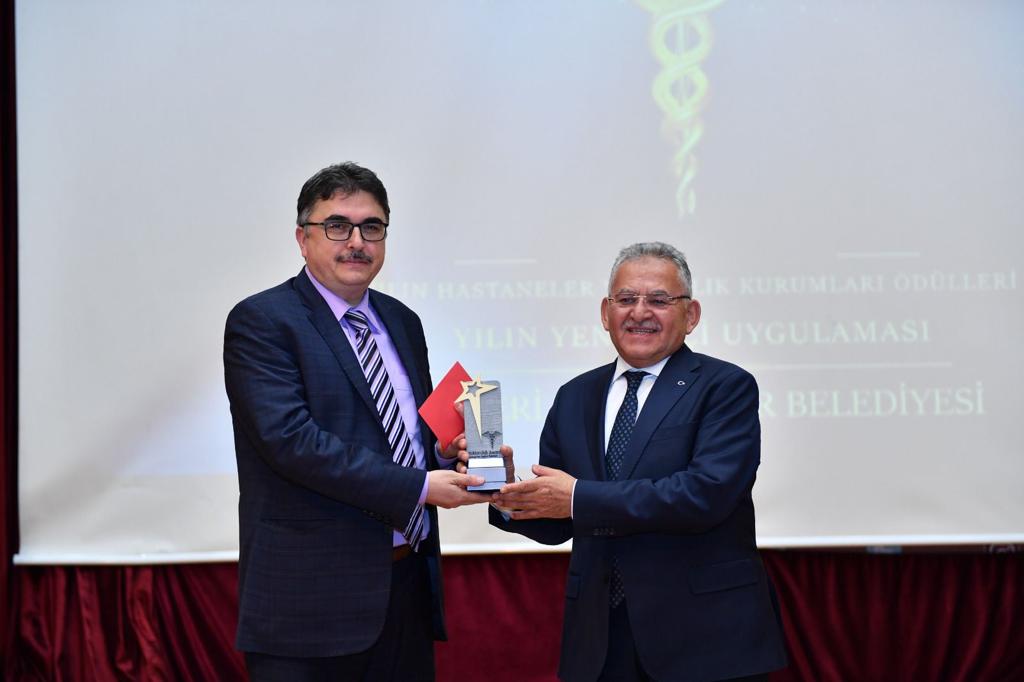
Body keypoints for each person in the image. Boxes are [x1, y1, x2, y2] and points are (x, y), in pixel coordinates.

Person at [224, 162, 488, 680]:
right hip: (309, 606)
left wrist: (447, 455)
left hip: (405, 590)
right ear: (302, 238)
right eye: (337, 226)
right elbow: (292, 443)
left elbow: (403, 435)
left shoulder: (402, 321)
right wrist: (421, 487)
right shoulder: (263, 321)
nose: (356, 242)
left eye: (372, 227)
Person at [485, 242, 788, 681]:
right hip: (601, 641)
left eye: (659, 300)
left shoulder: (725, 387)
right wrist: (507, 493)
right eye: (626, 299)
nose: (640, 312)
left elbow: (704, 495)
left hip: (705, 639)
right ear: (605, 312)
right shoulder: (574, 396)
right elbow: (559, 519)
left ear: (691, 315)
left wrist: (577, 498)